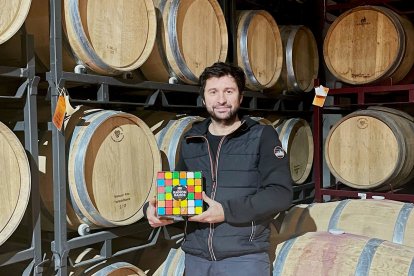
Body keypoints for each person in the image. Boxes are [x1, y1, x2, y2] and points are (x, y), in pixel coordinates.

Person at [145, 62, 293, 276]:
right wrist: (154, 210)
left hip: (244, 259)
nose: (221, 99)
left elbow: (280, 194)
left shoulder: (262, 136)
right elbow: (180, 194)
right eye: (213, 92)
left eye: (229, 91)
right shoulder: (192, 139)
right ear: (204, 98)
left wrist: (225, 212)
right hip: (197, 259)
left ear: (240, 97)